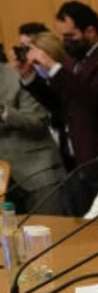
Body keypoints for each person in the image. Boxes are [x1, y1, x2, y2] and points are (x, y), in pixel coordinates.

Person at [21, 0, 98, 214]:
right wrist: (29, 77)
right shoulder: (75, 62)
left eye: (70, 36)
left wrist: (53, 67)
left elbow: (91, 98)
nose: (66, 42)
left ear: (90, 31)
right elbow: (61, 105)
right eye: (63, 36)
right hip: (76, 161)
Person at [0, 61, 65, 215]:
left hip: (36, 173)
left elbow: (37, 121)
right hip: (3, 183)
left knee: (52, 228)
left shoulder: (17, 74)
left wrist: (3, 112)